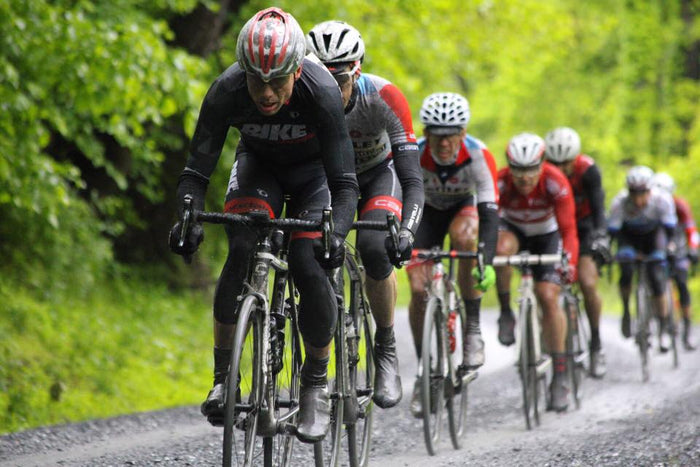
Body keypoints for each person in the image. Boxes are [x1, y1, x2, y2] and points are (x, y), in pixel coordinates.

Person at [167, 7, 359, 443]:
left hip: (315, 176)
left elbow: (345, 185)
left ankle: (314, 383)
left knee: (308, 259)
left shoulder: (322, 90)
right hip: (258, 168)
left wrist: (338, 231)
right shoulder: (226, 90)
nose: (267, 92)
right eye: (257, 79)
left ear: (296, 69)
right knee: (240, 246)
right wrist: (187, 217)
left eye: (277, 80)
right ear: (243, 72)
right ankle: (223, 379)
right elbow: (195, 175)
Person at [306, 21, 424, 408]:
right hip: (326, 177)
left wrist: (406, 231)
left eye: (337, 81)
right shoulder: (299, 99)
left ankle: (385, 347)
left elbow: (412, 178)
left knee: (375, 248)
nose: (329, 92)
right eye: (319, 79)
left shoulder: (384, 96)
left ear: (356, 73)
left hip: (377, 175)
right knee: (310, 248)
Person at [405, 92, 500, 417]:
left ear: (463, 133)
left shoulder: (478, 155)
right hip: (426, 213)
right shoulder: (414, 153)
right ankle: (425, 371)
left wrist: (484, 256)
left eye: (451, 135)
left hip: (463, 209)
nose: (444, 143)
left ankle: (472, 329)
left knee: (465, 237)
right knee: (418, 289)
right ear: (426, 132)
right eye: (436, 134)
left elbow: (489, 211)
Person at [495, 132, 579, 412]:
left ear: (542, 164)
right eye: (518, 169)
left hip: (547, 236)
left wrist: (571, 263)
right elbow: (488, 219)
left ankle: (560, 374)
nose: (524, 177)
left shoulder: (555, 181)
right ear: (510, 166)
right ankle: (506, 312)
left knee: (547, 295)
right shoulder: (501, 182)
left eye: (531, 169)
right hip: (514, 232)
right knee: (501, 250)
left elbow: (568, 229)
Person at [544, 127, 610, 378]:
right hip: (554, 227)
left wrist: (601, 236)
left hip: (585, 229)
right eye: (555, 163)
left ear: (576, 157)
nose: (561, 170)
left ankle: (596, 343)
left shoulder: (588, 170)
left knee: (587, 281)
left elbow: (599, 207)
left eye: (566, 163)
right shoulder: (542, 172)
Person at [607, 166, 677, 352]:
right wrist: (607, 252)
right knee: (627, 270)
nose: (638, 199)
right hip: (629, 238)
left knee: (656, 278)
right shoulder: (619, 203)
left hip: (654, 239)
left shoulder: (662, 201)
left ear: (650, 190)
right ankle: (626, 312)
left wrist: (670, 249)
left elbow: (670, 233)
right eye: (633, 193)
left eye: (643, 193)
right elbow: (612, 234)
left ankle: (662, 328)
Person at [652, 172, 698, 350]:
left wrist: (693, 249)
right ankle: (660, 323)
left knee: (682, 284)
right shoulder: (653, 207)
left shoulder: (681, 206)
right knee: (656, 282)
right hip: (659, 250)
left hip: (678, 250)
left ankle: (687, 328)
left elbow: (692, 231)